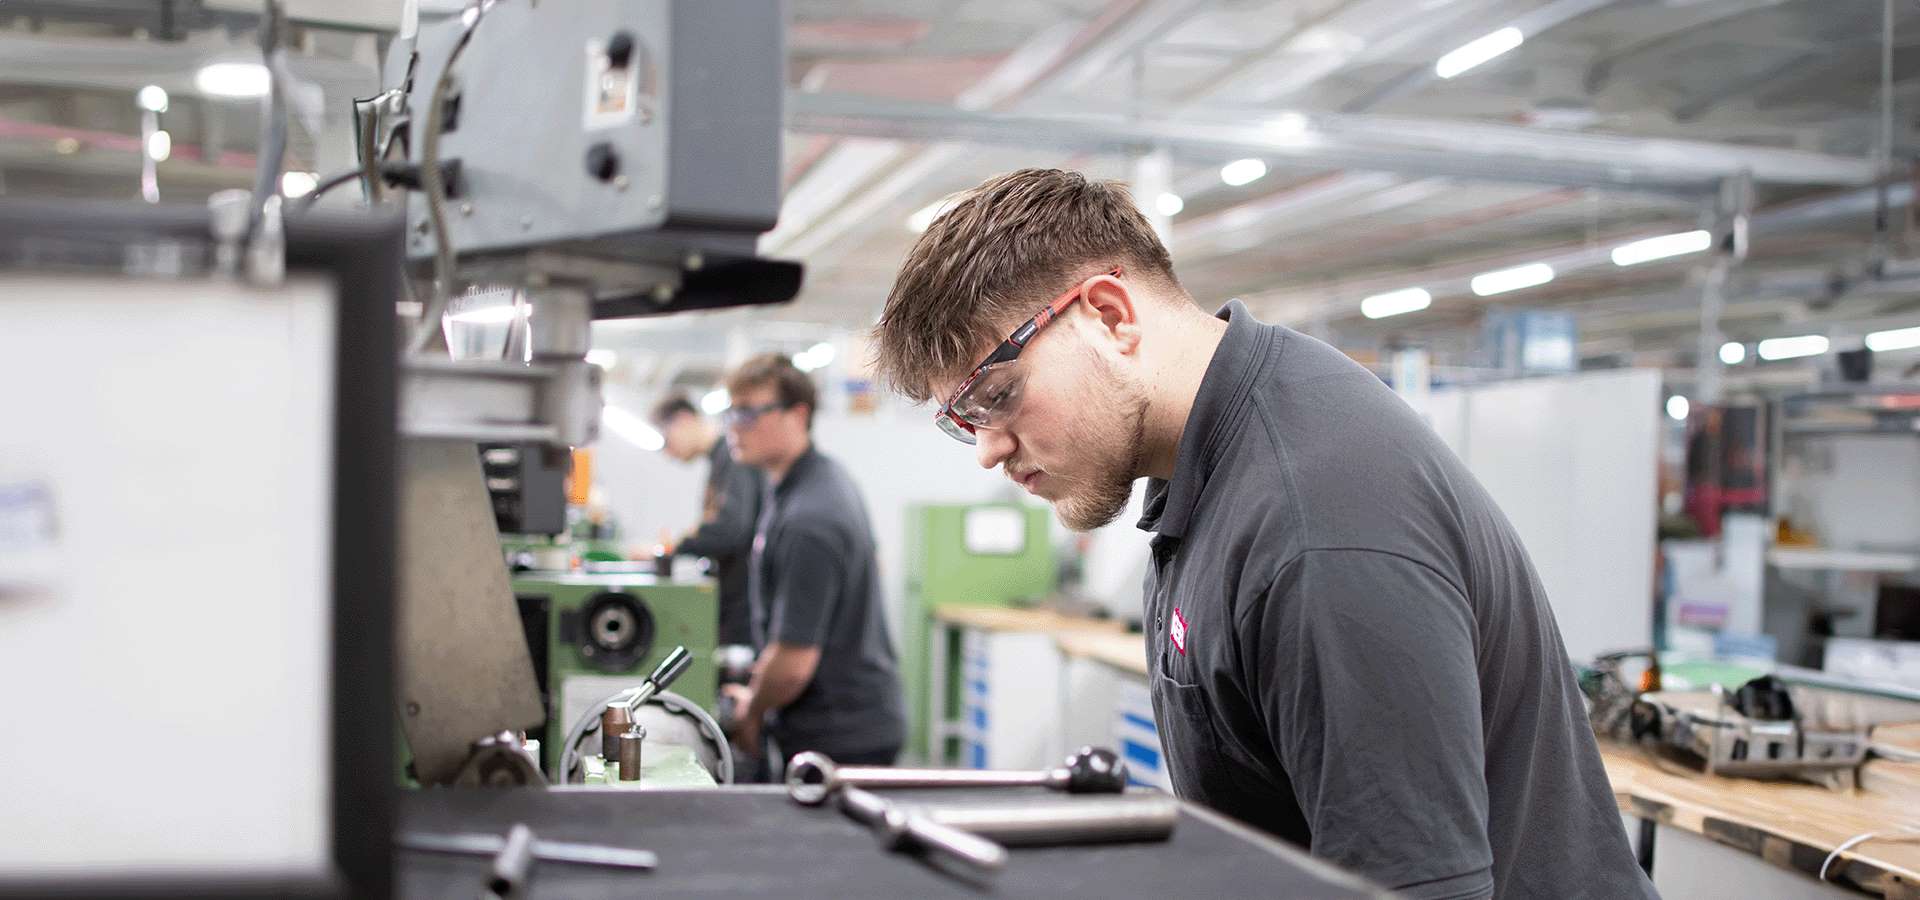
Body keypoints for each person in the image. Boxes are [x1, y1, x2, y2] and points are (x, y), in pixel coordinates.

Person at [869, 168, 1655, 899]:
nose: (988, 449)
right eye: (962, 421)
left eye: (997, 395)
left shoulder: (1318, 533)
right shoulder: (1218, 454)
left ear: (1110, 316)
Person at [717, 353, 905, 769]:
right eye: (730, 411)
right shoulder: (812, 482)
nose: (734, 425)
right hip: (845, 719)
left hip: (840, 736)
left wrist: (752, 710)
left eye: (749, 412)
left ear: (797, 414)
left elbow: (793, 666)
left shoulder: (809, 517)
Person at [650, 395, 763, 648]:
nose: (669, 454)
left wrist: (677, 547)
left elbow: (730, 528)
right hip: (733, 598)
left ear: (683, 420)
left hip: (744, 605)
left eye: (667, 441)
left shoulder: (732, 456)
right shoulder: (719, 460)